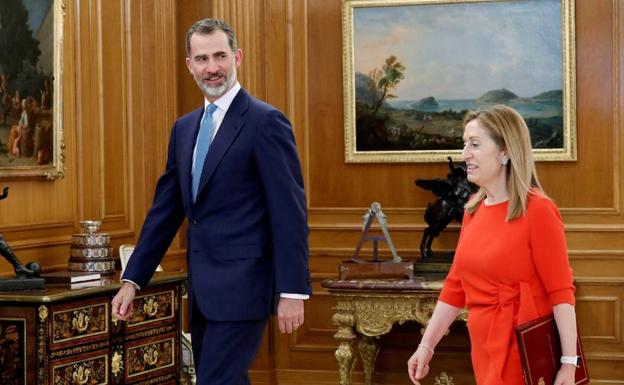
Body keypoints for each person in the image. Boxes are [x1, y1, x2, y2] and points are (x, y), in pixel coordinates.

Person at [111, 18, 311, 385]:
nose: (212, 67)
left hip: (245, 288)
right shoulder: (184, 128)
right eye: (202, 59)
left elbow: (290, 214)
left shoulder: (266, 122)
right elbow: (166, 210)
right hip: (202, 294)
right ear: (189, 65)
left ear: (237, 57)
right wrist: (133, 280)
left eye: (220, 56)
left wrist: (293, 290)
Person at [407, 105, 579, 385]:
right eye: (464, 144)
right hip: (484, 345)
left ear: (505, 151)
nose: (464, 155)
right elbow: (455, 286)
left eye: (474, 144)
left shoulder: (539, 210)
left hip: (525, 348)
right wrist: (426, 347)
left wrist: (569, 364)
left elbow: (561, 292)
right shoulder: (473, 209)